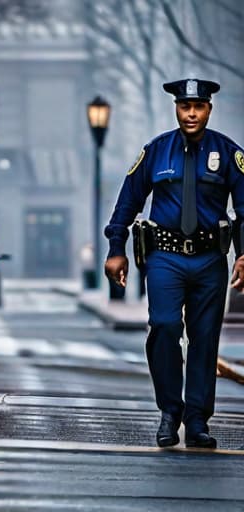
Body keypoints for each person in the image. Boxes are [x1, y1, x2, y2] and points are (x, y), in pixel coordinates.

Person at [104, 78, 244, 449]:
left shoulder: (228, 154)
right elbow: (127, 202)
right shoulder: (156, 152)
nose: (192, 113)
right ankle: (170, 411)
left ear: (209, 109)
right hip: (164, 257)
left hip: (209, 259)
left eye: (199, 107)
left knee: (204, 339)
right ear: (177, 109)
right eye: (185, 107)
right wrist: (115, 247)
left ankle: (197, 421)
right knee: (164, 327)